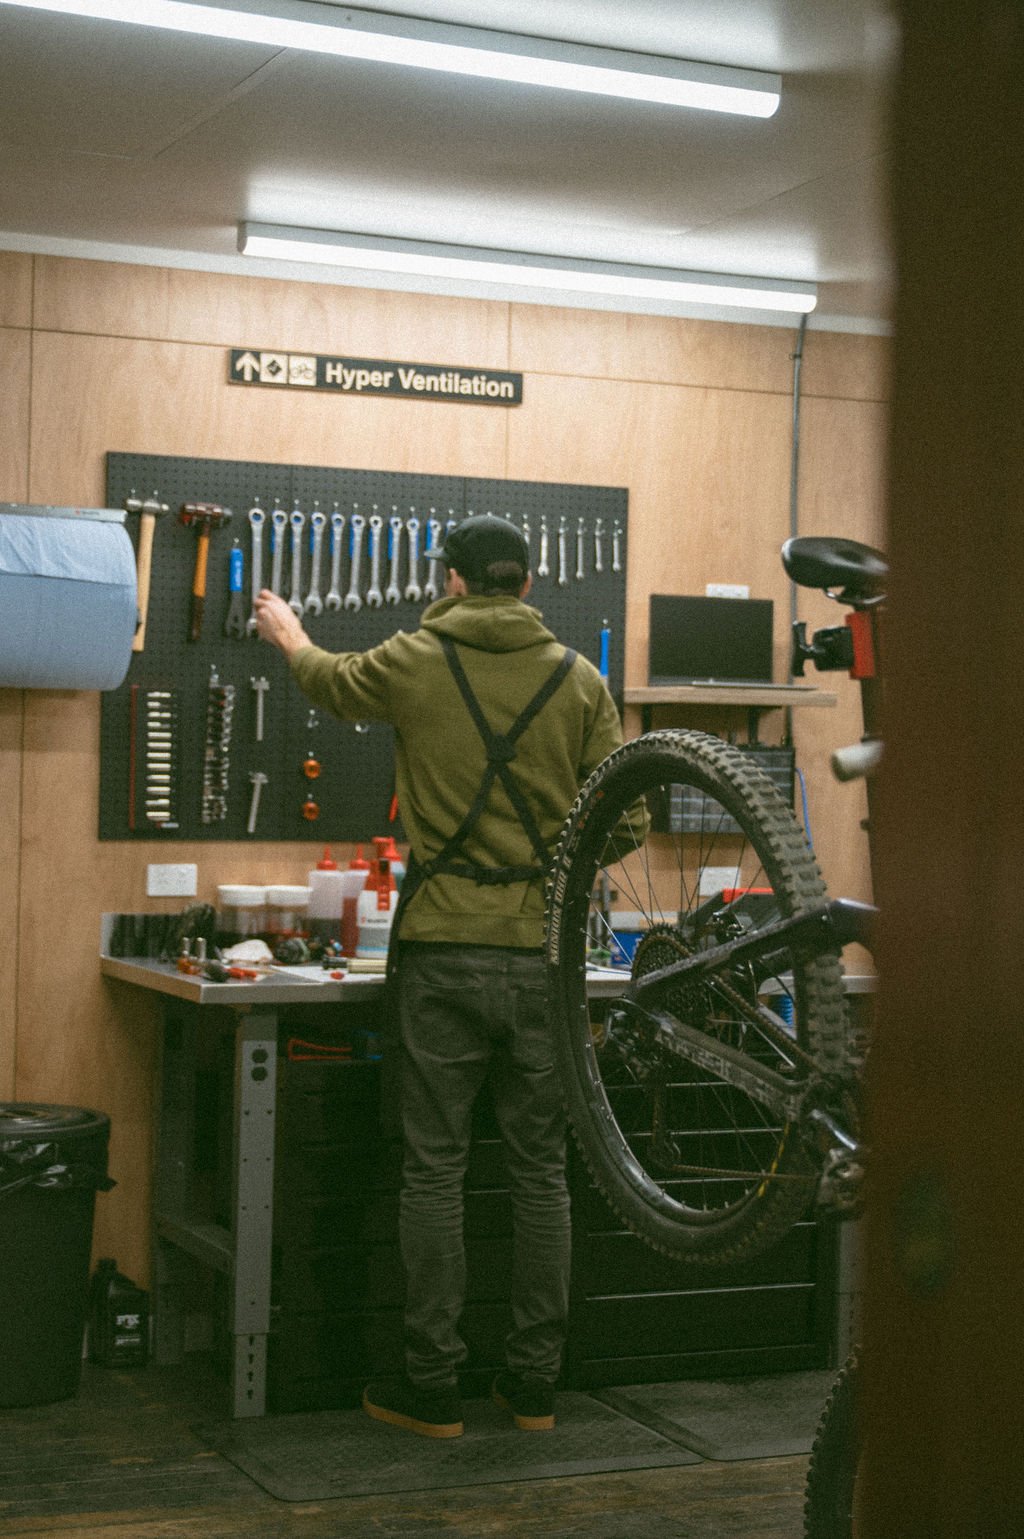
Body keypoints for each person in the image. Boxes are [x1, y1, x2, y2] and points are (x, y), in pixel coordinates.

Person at [254, 512, 625, 1439]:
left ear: (451, 579)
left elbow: (333, 686)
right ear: (530, 585)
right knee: (542, 1175)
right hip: (545, 960)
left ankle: (432, 1389)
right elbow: (626, 825)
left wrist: (291, 634)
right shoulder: (581, 681)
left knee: (435, 1173)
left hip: (440, 956)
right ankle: (534, 1387)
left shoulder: (416, 658)